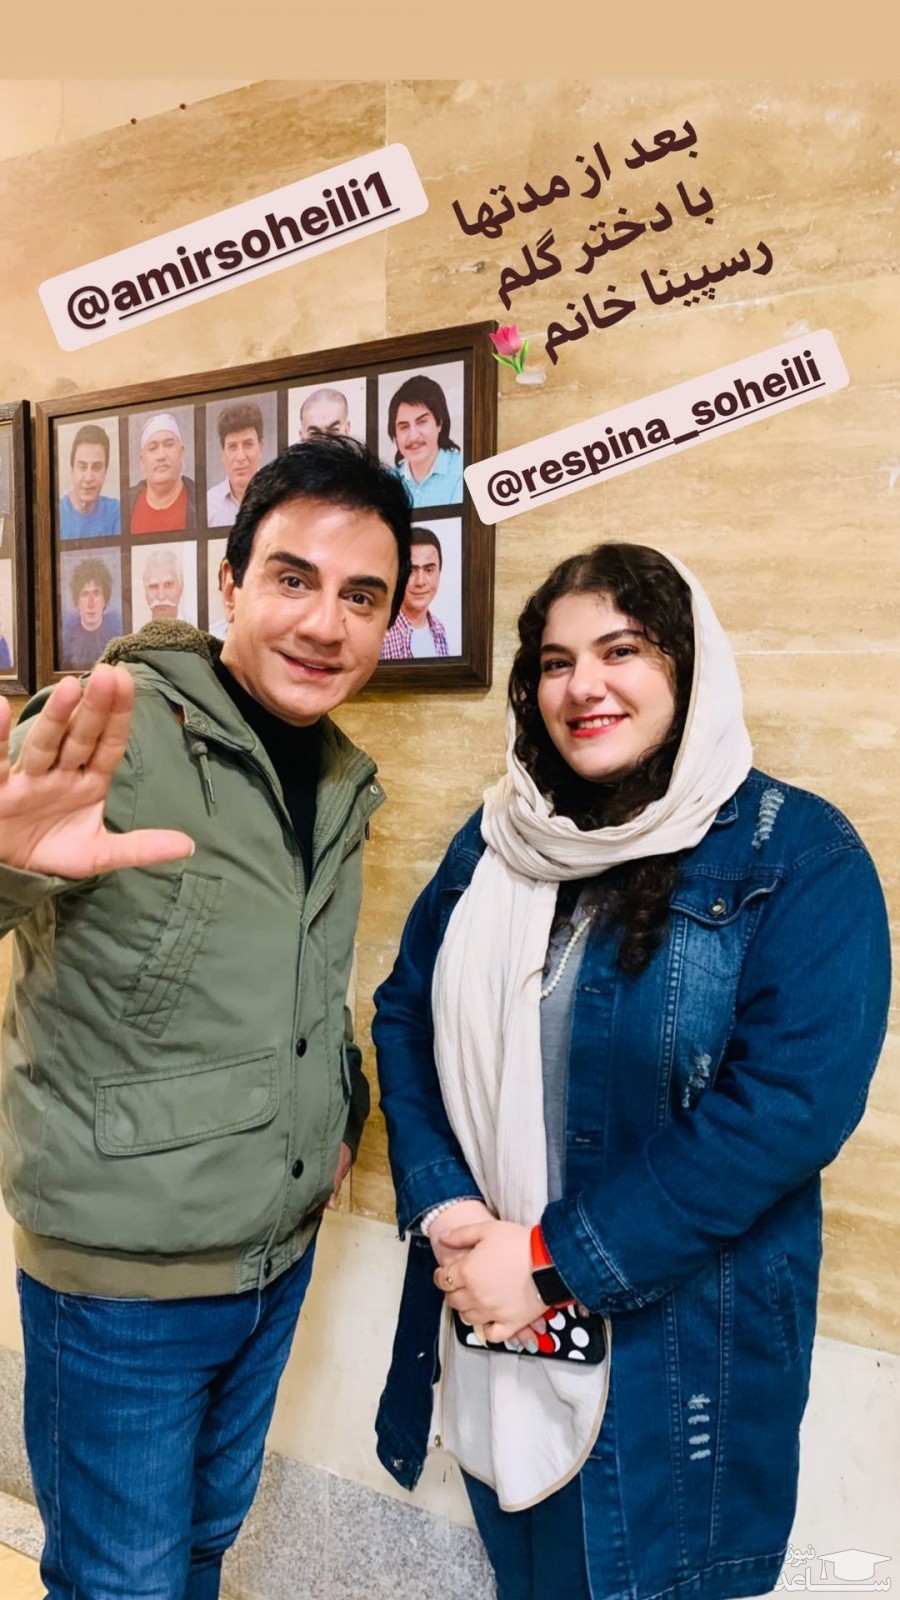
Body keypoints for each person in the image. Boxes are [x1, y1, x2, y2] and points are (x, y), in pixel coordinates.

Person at [373, 543, 890, 1600]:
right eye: (556, 661)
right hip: (497, 1328)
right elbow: (404, 1014)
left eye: (623, 650)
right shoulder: (497, 841)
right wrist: (446, 1204)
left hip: (677, 1369)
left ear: (689, 669)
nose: (584, 686)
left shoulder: (799, 855)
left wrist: (550, 1260)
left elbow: (783, 1113)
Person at [0, 437, 412, 1599]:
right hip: (120, 1284)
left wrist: (341, 1108)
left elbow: (298, 974)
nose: (324, 622)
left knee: (201, 1549)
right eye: (293, 578)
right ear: (230, 583)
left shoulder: (338, 776)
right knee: (119, 1581)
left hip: (273, 1257)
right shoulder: (109, 729)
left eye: (361, 596)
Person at [387, 374, 463, 508]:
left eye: (422, 422)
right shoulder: (388, 482)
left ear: (439, 423)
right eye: (404, 427)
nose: (413, 436)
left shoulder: (464, 470)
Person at [380, 529, 449, 660]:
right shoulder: (381, 635)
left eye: (429, 570)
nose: (420, 582)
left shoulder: (439, 629)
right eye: (411, 571)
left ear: (439, 573)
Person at [129, 411, 197, 534]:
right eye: (152, 448)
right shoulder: (126, 504)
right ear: (142, 461)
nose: (161, 455)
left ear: (181, 453)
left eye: (168, 445)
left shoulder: (202, 501)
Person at [207, 400, 266, 527]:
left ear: (260, 447)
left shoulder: (278, 496)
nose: (240, 457)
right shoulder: (209, 505)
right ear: (223, 453)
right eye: (232, 447)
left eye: (248, 445)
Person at [59, 423, 121, 539]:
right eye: (82, 467)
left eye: (96, 468)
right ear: (72, 469)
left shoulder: (116, 512)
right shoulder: (57, 514)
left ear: (105, 472)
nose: (88, 478)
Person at [61, 555, 123, 668]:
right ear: (77, 601)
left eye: (96, 593)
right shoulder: (66, 641)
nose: (91, 604)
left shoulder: (117, 638)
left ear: (105, 599)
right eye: (85, 594)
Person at [141, 545, 187, 622]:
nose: (161, 597)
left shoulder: (196, 628)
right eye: (153, 586)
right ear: (145, 591)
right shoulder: (137, 630)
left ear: (181, 588)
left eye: (169, 584)